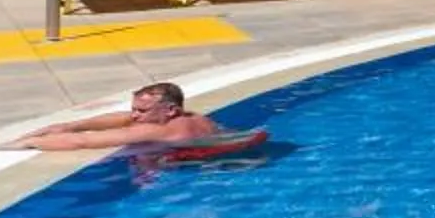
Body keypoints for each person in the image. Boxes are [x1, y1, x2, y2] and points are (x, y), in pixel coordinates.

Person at [23, 82, 264, 156]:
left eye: (142, 111)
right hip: (216, 149)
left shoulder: (160, 131)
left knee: (143, 162)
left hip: (182, 171)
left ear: (170, 110)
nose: (134, 116)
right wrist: (71, 125)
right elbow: (123, 119)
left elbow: (84, 142)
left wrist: (29, 143)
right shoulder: (193, 117)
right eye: (134, 109)